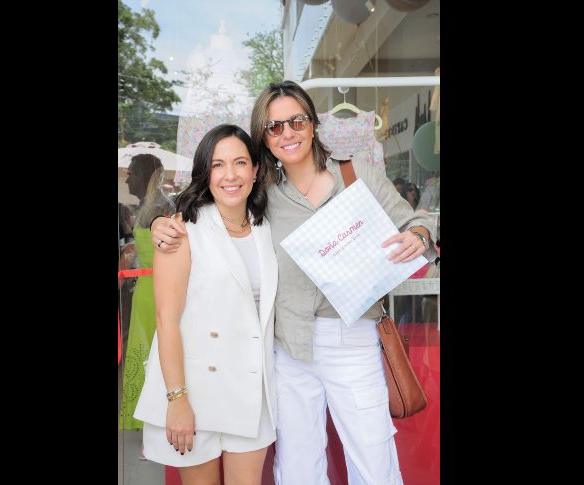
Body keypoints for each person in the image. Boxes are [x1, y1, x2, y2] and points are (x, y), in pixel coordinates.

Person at [152, 81, 437, 484]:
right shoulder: (262, 192)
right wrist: (162, 223)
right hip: (287, 345)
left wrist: (419, 236)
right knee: (299, 466)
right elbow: (212, 206)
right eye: (274, 126)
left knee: (374, 459)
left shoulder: (356, 175)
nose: (287, 133)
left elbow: (416, 221)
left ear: (313, 123)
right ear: (264, 138)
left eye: (296, 121)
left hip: (352, 337)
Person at [133, 124, 278, 485]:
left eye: (240, 162)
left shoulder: (267, 226)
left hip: (250, 387)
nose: (230, 175)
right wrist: (177, 399)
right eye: (218, 165)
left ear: (255, 169)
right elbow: (167, 320)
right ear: (205, 173)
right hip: (195, 388)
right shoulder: (183, 230)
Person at [119, 153, 175, 430]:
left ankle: (155, 418)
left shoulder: (159, 208)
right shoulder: (149, 206)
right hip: (146, 289)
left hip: (157, 290)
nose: (127, 179)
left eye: (131, 173)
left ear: (145, 176)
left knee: (153, 354)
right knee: (145, 352)